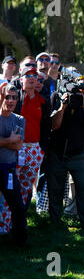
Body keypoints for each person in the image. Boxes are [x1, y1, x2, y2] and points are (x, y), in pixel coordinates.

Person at [47, 77, 84, 231]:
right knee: (55, 191)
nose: (82, 91)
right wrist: (62, 107)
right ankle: (55, 223)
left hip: (79, 155)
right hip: (57, 153)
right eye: (78, 89)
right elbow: (54, 125)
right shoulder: (58, 99)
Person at [13, 67, 51, 210]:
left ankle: (23, 216)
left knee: (27, 186)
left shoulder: (43, 101)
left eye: (34, 76)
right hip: (16, 148)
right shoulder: (14, 97)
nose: (31, 78)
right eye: (27, 75)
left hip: (35, 148)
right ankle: (9, 218)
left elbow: (47, 127)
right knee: (13, 184)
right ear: (21, 79)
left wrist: (42, 149)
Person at [0, 83, 27, 244]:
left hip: (9, 169)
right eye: (7, 96)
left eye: (14, 97)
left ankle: (20, 243)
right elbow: (14, 142)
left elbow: (18, 146)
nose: (10, 101)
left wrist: (6, 142)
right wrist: (9, 139)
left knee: (17, 206)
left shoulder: (19, 120)